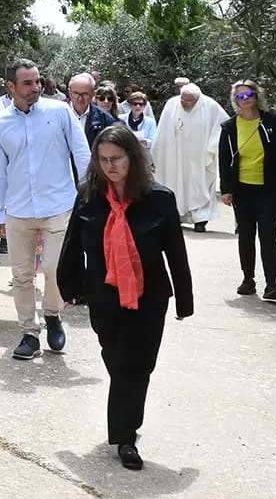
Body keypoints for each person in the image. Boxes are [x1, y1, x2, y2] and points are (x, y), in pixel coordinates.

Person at [57, 124, 194, 470]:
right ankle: (126, 413)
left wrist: (184, 300)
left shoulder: (159, 199)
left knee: (138, 366)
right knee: (119, 363)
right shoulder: (88, 196)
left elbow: (175, 253)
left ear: (133, 158)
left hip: (149, 299)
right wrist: (68, 288)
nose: (110, 166)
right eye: (103, 160)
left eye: (116, 159)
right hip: (104, 296)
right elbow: (72, 245)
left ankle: (125, 436)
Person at [0, 58, 92, 361]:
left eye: (37, 81)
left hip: (59, 204)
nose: (36, 87)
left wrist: (87, 198)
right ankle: (28, 333)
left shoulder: (59, 112)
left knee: (53, 269)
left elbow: (82, 154)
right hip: (18, 209)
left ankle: (52, 314)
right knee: (21, 275)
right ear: (11, 87)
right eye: (27, 83)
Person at [217, 80, 276, 300]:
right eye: (240, 96)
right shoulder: (229, 127)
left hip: (268, 188)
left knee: (268, 235)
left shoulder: (272, 122)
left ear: (257, 95)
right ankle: (248, 279)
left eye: (249, 94)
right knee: (246, 235)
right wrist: (226, 189)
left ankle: (272, 284)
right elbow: (224, 160)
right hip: (242, 189)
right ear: (235, 101)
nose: (246, 99)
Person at [153, 82, 229, 231]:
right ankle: (175, 216)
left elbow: (224, 125)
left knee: (199, 186)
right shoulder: (171, 104)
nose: (184, 103)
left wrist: (212, 147)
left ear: (197, 99)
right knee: (175, 184)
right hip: (174, 156)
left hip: (199, 158)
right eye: (182, 100)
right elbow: (162, 130)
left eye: (188, 101)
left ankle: (200, 219)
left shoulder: (210, 106)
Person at [67, 72, 119, 152]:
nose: (80, 98)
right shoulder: (58, 114)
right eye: (76, 93)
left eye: (85, 94)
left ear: (93, 94)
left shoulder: (105, 119)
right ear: (70, 93)